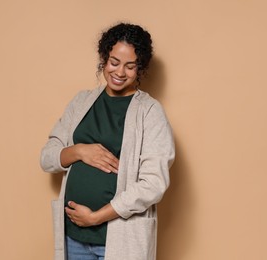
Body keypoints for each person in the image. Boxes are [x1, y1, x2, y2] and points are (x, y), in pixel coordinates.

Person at [40, 23, 175, 260]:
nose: (120, 72)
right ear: (104, 58)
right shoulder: (81, 102)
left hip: (121, 239)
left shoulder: (150, 112)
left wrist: (96, 217)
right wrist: (80, 151)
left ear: (140, 68)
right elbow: (48, 157)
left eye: (130, 66)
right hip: (74, 237)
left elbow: (153, 182)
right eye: (114, 62)